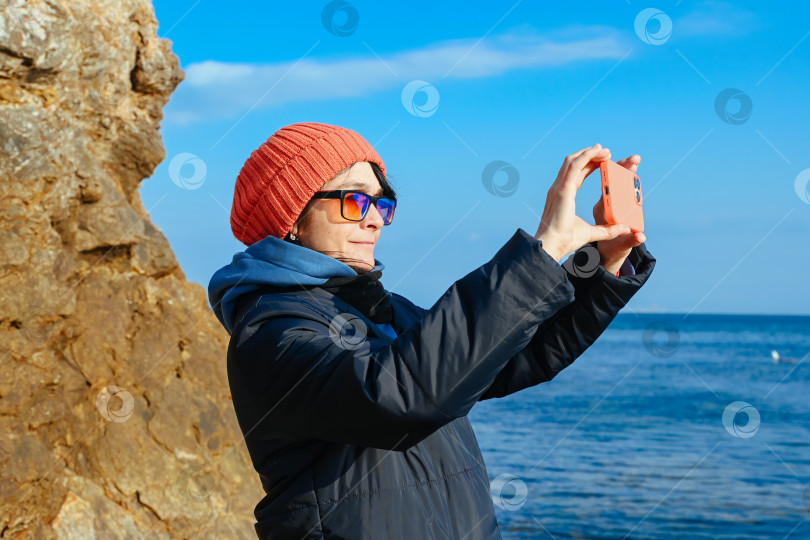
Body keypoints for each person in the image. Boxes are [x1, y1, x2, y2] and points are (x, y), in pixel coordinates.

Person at [208, 122, 656, 539]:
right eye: (354, 200)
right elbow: (402, 396)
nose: (375, 219)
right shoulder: (271, 330)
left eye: (381, 203)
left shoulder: (385, 310)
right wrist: (543, 249)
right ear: (290, 218)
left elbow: (506, 357)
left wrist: (601, 262)